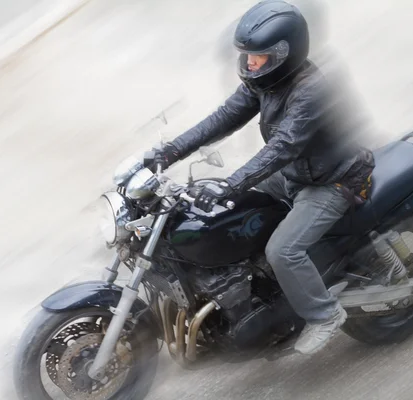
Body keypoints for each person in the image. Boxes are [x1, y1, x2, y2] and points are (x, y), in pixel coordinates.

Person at [147, 0, 375, 355]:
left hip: (332, 182)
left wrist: (231, 183)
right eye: (247, 55)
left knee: (282, 250)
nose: (249, 63)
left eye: (258, 57)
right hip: (295, 175)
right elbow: (223, 118)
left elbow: (283, 147)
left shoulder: (310, 91)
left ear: (285, 53)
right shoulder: (265, 81)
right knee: (231, 217)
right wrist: (172, 150)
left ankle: (325, 314)